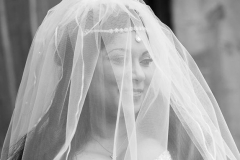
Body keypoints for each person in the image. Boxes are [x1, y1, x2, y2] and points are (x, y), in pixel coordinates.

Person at [1, 0, 240, 159]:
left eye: (146, 61)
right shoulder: (46, 153)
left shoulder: (186, 144)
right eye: (119, 59)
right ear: (82, 69)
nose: (137, 75)